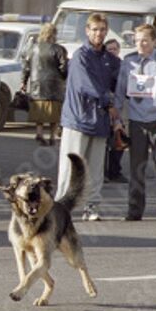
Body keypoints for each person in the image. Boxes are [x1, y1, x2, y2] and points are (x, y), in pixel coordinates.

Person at [56, 13, 121, 221]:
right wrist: (109, 102)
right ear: (87, 30)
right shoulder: (80, 56)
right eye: (94, 29)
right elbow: (86, 85)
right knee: (71, 167)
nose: (98, 34)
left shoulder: (110, 59)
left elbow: (120, 83)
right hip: (78, 119)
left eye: (102, 29)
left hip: (100, 120)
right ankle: (60, 208)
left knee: (95, 168)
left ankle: (91, 206)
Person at [114, 24, 156, 222]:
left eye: (144, 41)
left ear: (154, 41)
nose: (140, 45)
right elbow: (120, 92)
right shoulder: (129, 62)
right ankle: (134, 209)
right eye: (137, 41)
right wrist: (117, 119)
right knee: (136, 167)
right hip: (136, 120)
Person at [21, 22, 68, 146]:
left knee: (39, 110)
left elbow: (26, 67)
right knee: (54, 113)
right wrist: (65, 77)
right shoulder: (58, 49)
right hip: (54, 84)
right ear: (54, 34)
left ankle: (39, 132)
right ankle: (52, 136)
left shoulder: (33, 48)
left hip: (37, 84)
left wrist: (23, 82)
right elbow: (64, 67)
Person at [103, 38, 127, 183]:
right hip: (106, 105)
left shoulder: (122, 65)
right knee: (105, 142)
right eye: (109, 49)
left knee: (119, 140)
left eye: (114, 49)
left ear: (118, 50)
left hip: (120, 105)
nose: (112, 51)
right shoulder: (103, 64)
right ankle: (103, 172)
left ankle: (115, 171)